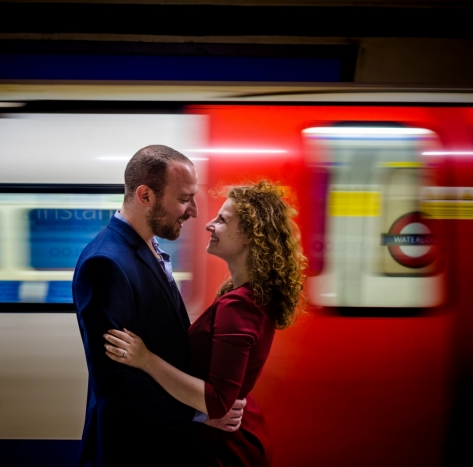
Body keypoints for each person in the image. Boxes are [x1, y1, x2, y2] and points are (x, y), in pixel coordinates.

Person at [104, 180, 307, 467]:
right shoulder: (248, 295)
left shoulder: (238, 305)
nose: (209, 224)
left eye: (222, 220)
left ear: (250, 236)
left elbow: (217, 402)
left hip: (225, 450)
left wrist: (145, 359)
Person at [73, 145, 246, 467]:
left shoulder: (144, 247)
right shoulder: (106, 263)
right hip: (131, 449)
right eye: (183, 199)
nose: (194, 211)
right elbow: (113, 382)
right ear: (145, 196)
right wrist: (200, 412)